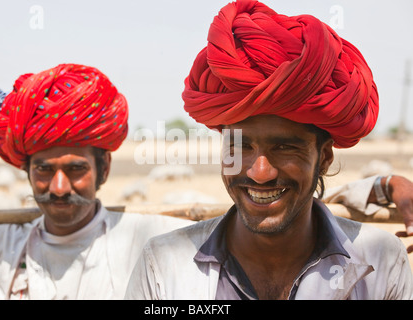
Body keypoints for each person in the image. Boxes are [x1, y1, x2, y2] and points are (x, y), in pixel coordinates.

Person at [125, 1, 413, 300]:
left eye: (285, 147)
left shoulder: (382, 264)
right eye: (239, 145)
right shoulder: (162, 266)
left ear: (324, 157)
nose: (259, 173)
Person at [0, 63, 193, 299]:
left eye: (76, 169)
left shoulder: (149, 238)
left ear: (104, 169)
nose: (59, 188)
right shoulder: (3, 243)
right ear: (27, 170)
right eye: (43, 169)